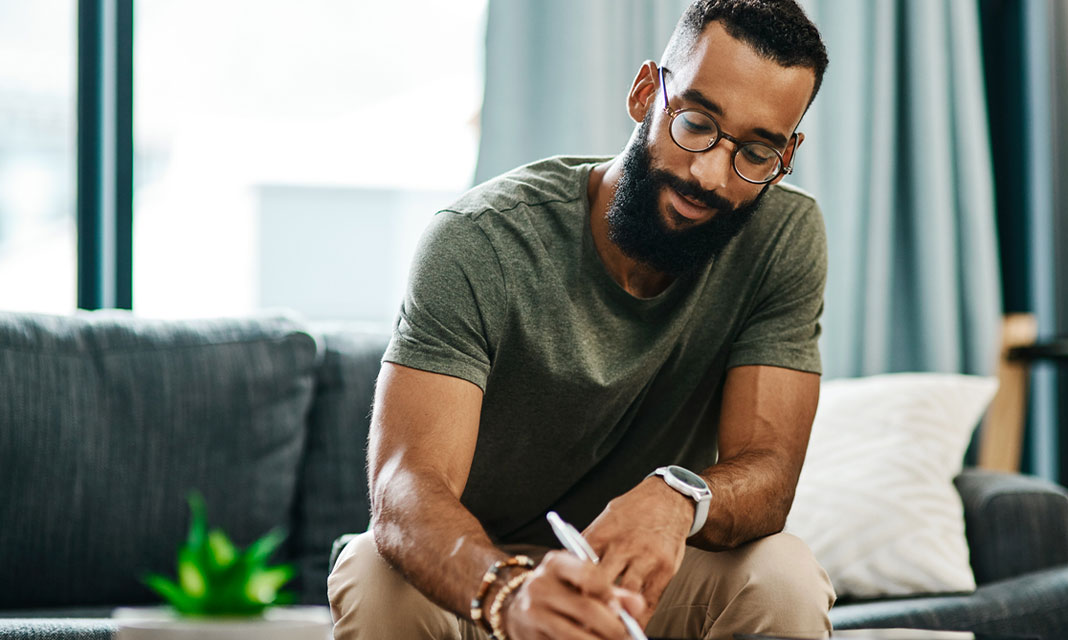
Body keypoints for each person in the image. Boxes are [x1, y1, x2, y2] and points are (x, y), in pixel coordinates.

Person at [328, 1, 835, 638]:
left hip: (638, 581)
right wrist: (508, 594)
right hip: (479, 574)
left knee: (783, 574)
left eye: (757, 154)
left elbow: (768, 474)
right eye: (697, 123)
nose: (709, 174)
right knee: (374, 572)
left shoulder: (784, 236)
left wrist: (679, 496)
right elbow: (406, 487)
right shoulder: (480, 241)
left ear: (786, 153)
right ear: (647, 92)